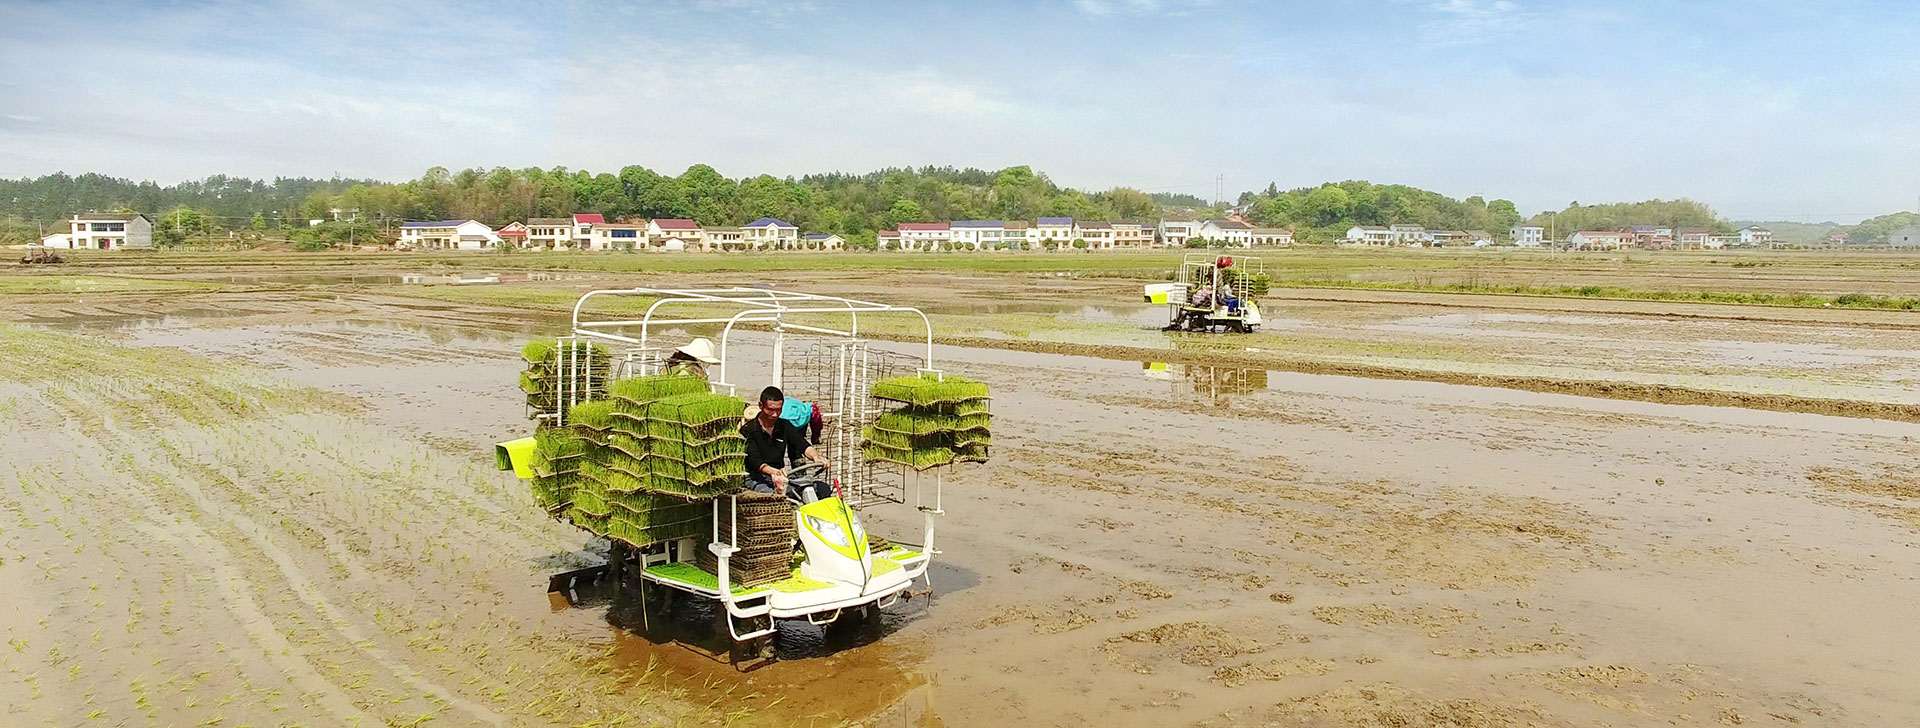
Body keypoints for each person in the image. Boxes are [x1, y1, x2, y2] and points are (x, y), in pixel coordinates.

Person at [741, 386, 833, 502]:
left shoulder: (784, 425)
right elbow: (754, 461)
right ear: (760, 406)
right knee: (774, 498)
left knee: (821, 488)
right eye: (770, 410)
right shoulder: (749, 430)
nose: (775, 414)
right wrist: (774, 472)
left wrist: (816, 457)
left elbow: (802, 444)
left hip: (781, 477)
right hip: (756, 478)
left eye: (779, 410)